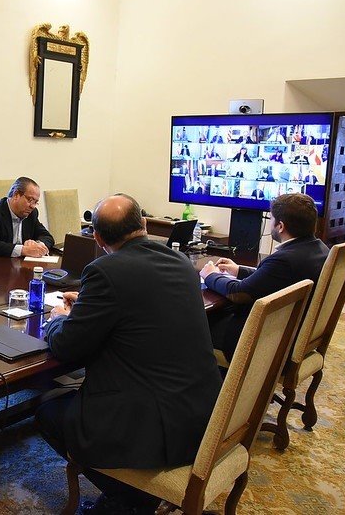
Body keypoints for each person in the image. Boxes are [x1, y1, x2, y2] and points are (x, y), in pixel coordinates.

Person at [35, 194, 221, 514]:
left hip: (151, 424)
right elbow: (141, 310)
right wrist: (89, 305)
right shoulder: (182, 263)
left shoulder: (105, 271)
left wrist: (58, 321)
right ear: (144, 225)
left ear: (96, 237)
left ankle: (131, 499)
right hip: (202, 411)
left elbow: (67, 346)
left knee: (48, 409)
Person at [200, 193, 329, 361]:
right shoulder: (319, 249)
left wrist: (210, 275)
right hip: (292, 332)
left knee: (194, 326)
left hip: (265, 338)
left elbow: (238, 293)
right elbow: (274, 279)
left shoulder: (284, 259)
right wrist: (238, 270)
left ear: (280, 226)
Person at [0, 177, 55, 258]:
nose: (32, 206)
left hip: (18, 266)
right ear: (16, 195)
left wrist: (38, 245)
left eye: (35, 202)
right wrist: (24, 250)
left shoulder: (32, 213)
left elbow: (47, 237)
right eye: (30, 200)